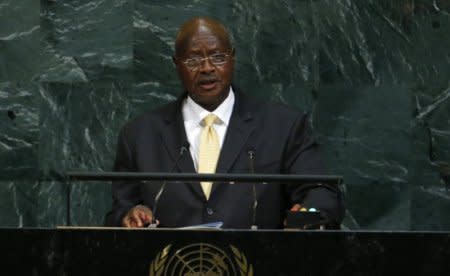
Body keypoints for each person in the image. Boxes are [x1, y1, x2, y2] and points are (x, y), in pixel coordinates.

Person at [105, 16, 344, 229]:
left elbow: (320, 193)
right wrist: (129, 215)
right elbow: (118, 212)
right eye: (193, 60)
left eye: (218, 57)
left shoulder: (283, 126)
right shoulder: (140, 134)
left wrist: (308, 214)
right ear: (176, 64)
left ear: (233, 58)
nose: (207, 68)